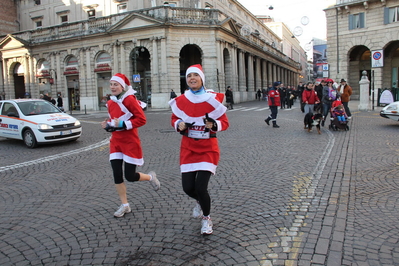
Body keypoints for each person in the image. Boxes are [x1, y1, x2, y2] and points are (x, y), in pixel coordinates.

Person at [169, 64, 229, 235]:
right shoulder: (181, 100)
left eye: (195, 75)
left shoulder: (212, 99)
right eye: (189, 76)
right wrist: (178, 124)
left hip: (208, 149)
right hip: (188, 148)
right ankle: (200, 202)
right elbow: (174, 118)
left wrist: (214, 124)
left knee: (201, 187)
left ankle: (207, 219)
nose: (192, 78)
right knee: (188, 188)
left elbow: (224, 122)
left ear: (202, 78)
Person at [100, 73, 160, 218]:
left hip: (130, 142)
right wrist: (107, 124)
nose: (113, 87)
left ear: (122, 86)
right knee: (117, 174)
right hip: (116, 142)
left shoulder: (130, 100)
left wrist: (122, 124)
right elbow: (112, 119)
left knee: (130, 176)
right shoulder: (110, 103)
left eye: (116, 84)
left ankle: (150, 177)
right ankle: (125, 205)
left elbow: (141, 119)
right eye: (111, 84)